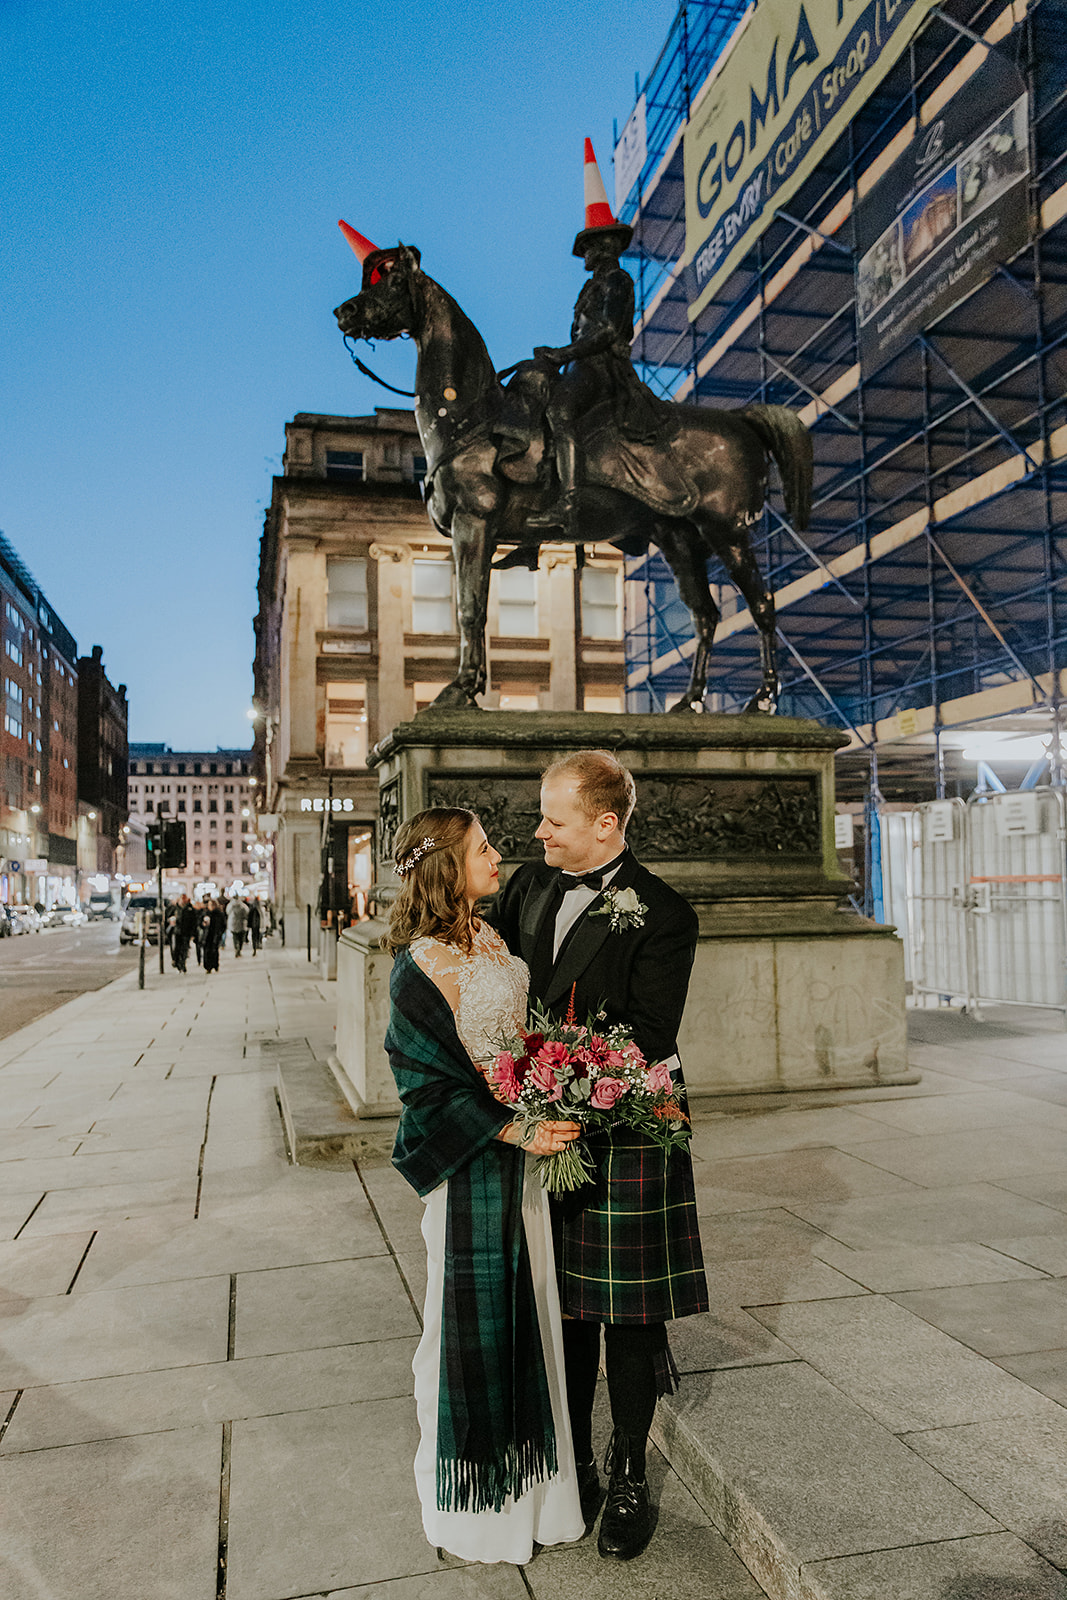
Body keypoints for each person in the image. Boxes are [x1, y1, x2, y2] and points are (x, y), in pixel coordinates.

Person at [487, 750, 707, 1561]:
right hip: (543, 1123)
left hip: (626, 1128)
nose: (537, 830)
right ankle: (573, 1458)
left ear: (605, 824)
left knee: (631, 1318)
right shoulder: (526, 885)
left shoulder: (663, 912)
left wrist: (554, 1074)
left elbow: (649, 1034)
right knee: (567, 1309)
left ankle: (629, 1472)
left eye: (554, 818)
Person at [384, 807, 586, 1567]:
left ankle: (540, 1496)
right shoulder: (420, 965)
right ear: (446, 868)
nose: (498, 856)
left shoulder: (492, 938)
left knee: (532, 1316)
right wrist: (512, 1127)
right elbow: (423, 1086)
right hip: (471, 1167)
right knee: (465, 1330)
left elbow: (517, 1036)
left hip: (526, 1162)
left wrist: (555, 1078)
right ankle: (476, 1506)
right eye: (482, 848)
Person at [528, 139, 663, 537]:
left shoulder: (618, 280)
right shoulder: (593, 284)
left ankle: (569, 502)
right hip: (581, 362)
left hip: (603, 367)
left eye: (588, 245)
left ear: (604, 245)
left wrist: (563, 352)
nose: (583, 253)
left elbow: (606, 331)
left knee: (560, 411)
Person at [171, 894, 197, 973]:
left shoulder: (190, 909)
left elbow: (194, 921)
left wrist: (193, 933)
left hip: (186, 932)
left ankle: (182, 964)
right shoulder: (175, 909)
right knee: (177, 949)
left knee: (184, 949)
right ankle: (177, 963)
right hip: (177, 931)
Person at [200, 898, 225, 974]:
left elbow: (223, 925)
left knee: (214, 951)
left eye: (211, 905)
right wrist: (203, 924)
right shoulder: (206, 914)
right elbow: (200, 923)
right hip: (207, 935)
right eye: (209, 905)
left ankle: (215, 965)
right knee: (207, 951)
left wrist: (220, 933)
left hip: (215, 935)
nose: (210, 906)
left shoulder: (219, 914)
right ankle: (208, 967)